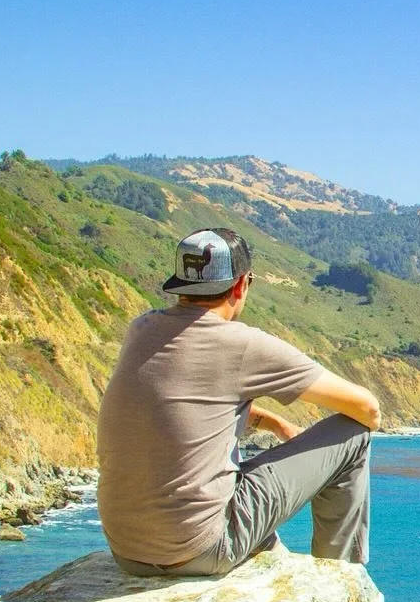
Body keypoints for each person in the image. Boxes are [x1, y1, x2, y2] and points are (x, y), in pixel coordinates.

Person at [97, 227, 381, 576]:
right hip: (200, 550)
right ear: (240, 285)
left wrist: (271, 422)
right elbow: (368, 409)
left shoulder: (141, 329)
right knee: (353, 432)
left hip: (127, 552)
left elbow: (183, 408)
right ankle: (338, 577)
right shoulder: (242, 344)